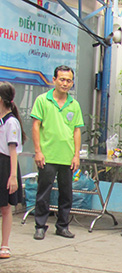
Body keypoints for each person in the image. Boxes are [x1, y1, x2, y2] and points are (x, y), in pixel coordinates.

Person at [31, 66, 83, 240]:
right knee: (44, 192)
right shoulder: (42, 100)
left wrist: (76, 155)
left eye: (68, 80)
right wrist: (38, 151)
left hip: (67, 157)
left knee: (66, 194)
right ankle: (40, 226)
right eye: (62, 79)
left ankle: (62, 226)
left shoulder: (74, 105)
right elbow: (36, 126)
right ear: (54, 80)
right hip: (48, 155)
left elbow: (77, 131)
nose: (65, 83)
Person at [0, 82, 25, 259]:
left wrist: (13, 176)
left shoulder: (11, 122)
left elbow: (12, 150)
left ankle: (5, 245)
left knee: (6, 207)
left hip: (6, 165)